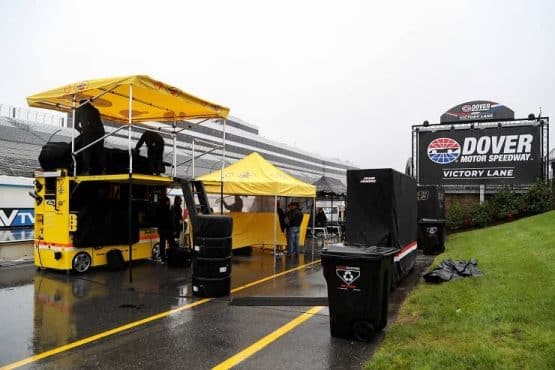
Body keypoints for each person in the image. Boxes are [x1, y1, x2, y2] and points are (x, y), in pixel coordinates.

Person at [75, 101, 105, 174]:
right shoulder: (95, 109)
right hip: (100, 132)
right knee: (100, 151)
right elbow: (99, 122)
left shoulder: (79, 109)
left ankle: (86, 170)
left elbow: (75, 125)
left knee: (86, 151)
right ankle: (103, 168)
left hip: (88, 132)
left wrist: (81, 131)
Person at [157, 195, 174, 262]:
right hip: (168, 229)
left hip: (161, 229)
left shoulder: (159, 209)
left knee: (162, 244)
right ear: (166, 202)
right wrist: (173, 228)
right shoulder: (168, 210)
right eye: (168, 201)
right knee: (171, 243)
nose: (169, 202)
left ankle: (163, 258)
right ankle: (171, 257)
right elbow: (170, 220)